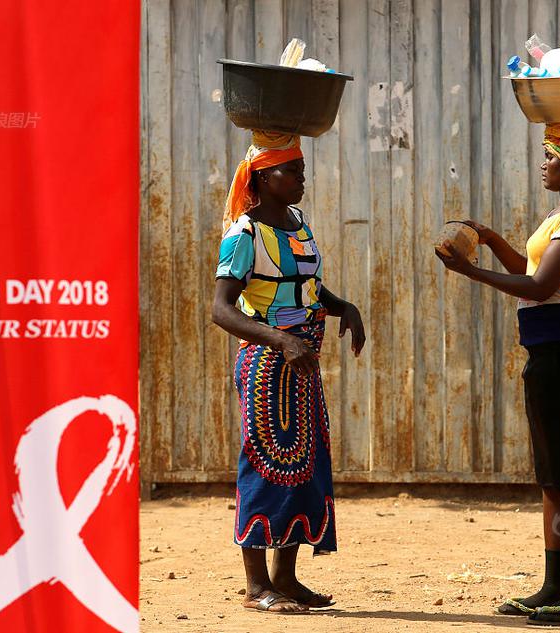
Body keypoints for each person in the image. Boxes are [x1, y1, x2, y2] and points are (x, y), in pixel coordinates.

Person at [436, 122, 560, 626]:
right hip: (548, 352)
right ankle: (552, 586)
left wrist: (470, 271)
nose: (544, 165)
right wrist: (493, 241)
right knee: (552, 476)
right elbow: (529, 270)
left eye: (551, 157)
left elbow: (539, 286)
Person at [212, 131, 366, 614]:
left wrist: (346, 307)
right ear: (264, 176)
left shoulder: (297, 225)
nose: (302, 178)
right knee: (266, 464)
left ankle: (287, 577)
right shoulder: (245, 233)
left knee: (304, 466)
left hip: (303, 359)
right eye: (292, 171)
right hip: (265, 363)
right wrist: (279, 338)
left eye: (301, 169)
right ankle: (257, 586)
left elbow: (310, 289)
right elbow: (221, 309)